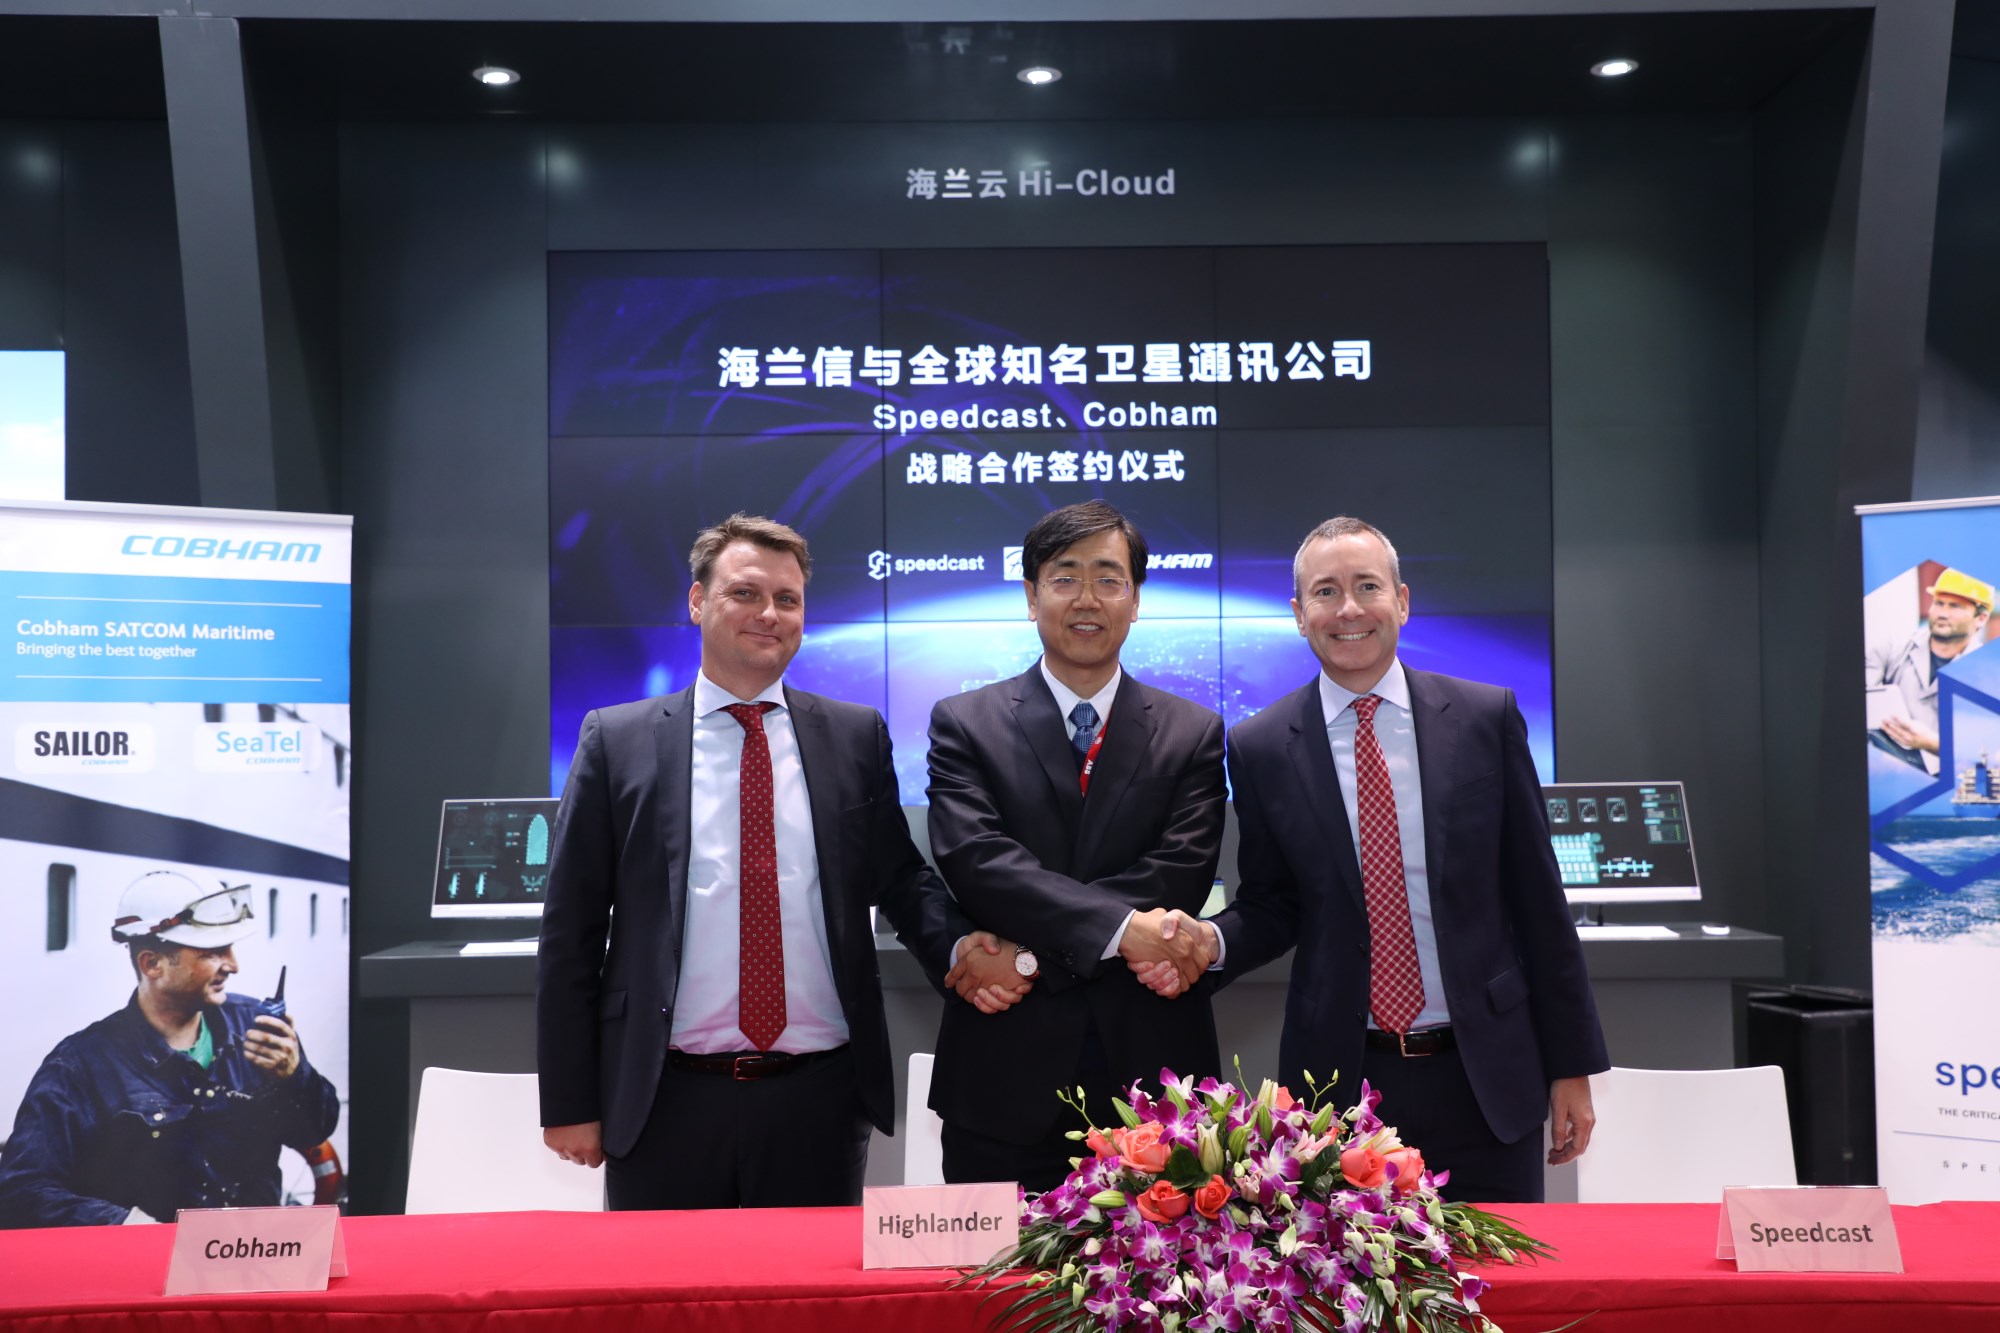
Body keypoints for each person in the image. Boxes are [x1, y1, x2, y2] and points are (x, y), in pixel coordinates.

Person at [1132, 516, 1607, 1204]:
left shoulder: (1484, 718)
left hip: (1486, 1076)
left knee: (1498, 1272)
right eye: (1325, 591)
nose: (1348, 608)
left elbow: (1540, 903)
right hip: (1339, 1088)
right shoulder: (1262, 746)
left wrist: (1571, 1065)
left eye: (1367, 586)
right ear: (1300, 615)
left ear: (1402, 601)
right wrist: (1210, 941)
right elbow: (1272, 904)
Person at [536, 513, 958, 1210]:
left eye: (788, 599)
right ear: (697, 600)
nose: (769, 614)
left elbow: (901, 879)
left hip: (819, 1099)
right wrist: (570, 1100)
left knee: (813, 1284)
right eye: (745, 593)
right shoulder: (618, 741)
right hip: (663, 1099)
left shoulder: (854, 735)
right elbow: (569, 932)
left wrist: (967, 953)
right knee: (665, 1283)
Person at [925, 500, 1226, 1192]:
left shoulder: (1193, 731)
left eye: (1108, 578)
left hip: (1154, 1084)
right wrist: (1122, 930)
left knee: (1164, 1266)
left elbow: (1180, 872)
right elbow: (979, 863)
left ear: (1136, 599)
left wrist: (1030, 955)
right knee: (997, 1266)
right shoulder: (964, 722)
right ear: (1031, 597)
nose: (1087, 599)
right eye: (1065, 578)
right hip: (1002, 1079)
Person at [0, 872, 339, 1228]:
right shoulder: (80, 1066)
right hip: (148, 1261)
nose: (233, 965)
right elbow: (21, 1191)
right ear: (152, 964)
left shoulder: (256, 1025)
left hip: (253, 1252)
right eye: (213, 952)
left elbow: (313, 1131)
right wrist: (127, 1225)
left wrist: (293, 1075)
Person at [1866, 567, 1993, 774]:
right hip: (1887, 763)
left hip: (1947, 775)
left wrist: (1931, 742)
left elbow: (1988, 751)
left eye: (1955, 606)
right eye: (1939, 603)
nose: (1942, 613)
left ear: (1981, 618)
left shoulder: (1989, 671)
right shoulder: (1893, 647)